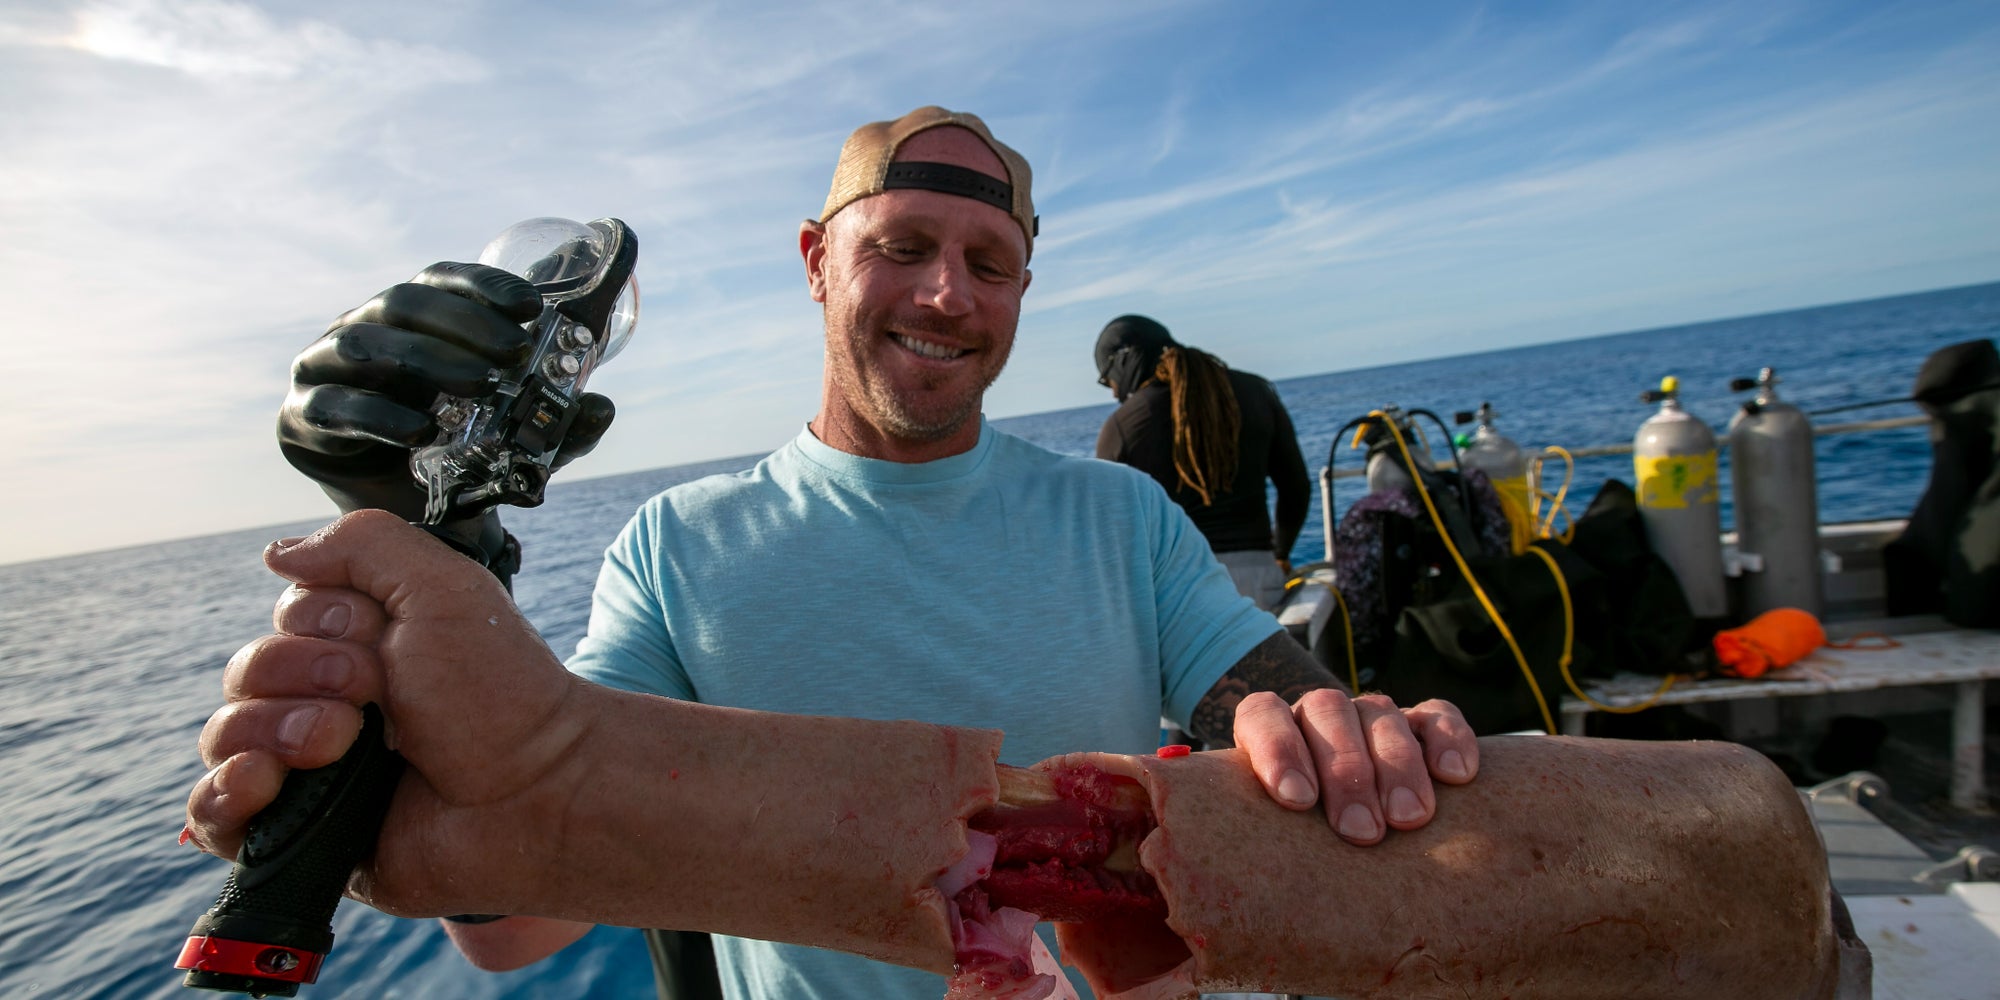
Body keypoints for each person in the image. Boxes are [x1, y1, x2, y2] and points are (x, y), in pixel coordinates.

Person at [203, 106, 1479, 1000]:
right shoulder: (675, 545)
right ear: (817, 262)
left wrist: (1332, 729)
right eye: (902, 248)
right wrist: (442, 566)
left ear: (1022, 292)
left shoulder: (1118, 515)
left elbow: (1259, 688)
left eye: (989, 262)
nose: (946, 295)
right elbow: (513, 927)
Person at [1094, 315, 1309, 611]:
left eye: (1108, 380)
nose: (1115, 392)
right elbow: (1296, 488)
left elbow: (1107, 531)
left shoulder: (1124, 425)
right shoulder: (1257, 391)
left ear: (1125, 360)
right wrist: (1281, 554)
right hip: (1259, 578)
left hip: (1178, 592)